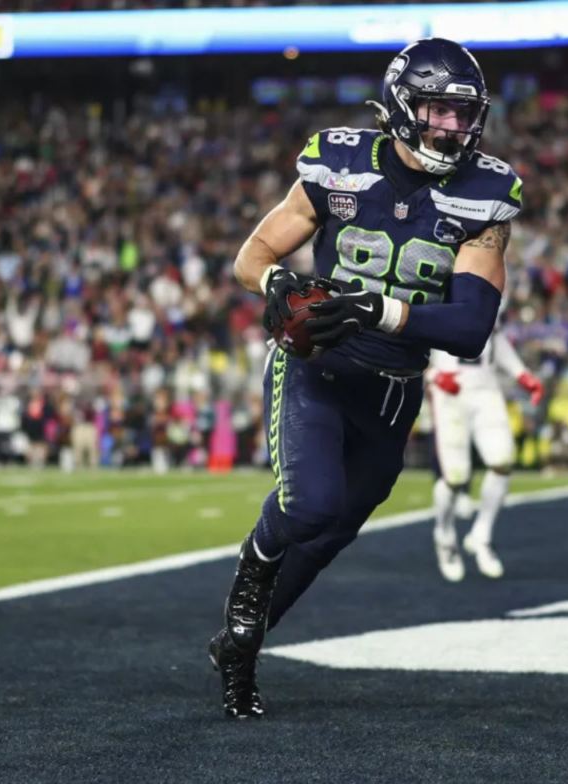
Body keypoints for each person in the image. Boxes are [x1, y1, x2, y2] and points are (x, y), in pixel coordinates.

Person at [209, 37, 521, 719]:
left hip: (392, 389)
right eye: (439, 110)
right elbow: (252, 256)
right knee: (311, 505)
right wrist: (277, 285)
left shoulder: (484, 193)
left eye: (463, 114)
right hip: (318, 366)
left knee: (329, 536)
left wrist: (376, 308)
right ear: (405, 107)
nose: (453, 127)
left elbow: (469, 327)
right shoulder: (339, 163)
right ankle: (246, 593)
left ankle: (243, 647)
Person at [427, 308, 543, 581]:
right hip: (449, 390)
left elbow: (496, 337)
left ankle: (482, 535)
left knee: (502, 461)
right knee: (455, 477)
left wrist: (521, 374)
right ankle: (444, 535)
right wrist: (434, 375)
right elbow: (409, 338)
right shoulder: (435, 278)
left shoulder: (490, 279)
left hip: (486, 387)